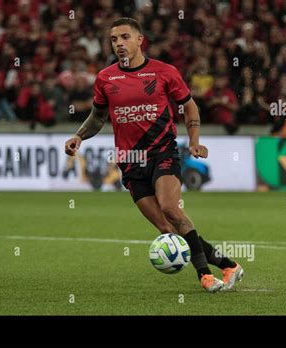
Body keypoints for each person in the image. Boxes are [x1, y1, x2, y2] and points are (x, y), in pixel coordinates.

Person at [65, 18, 243, 293]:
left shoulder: (164, 72)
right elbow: (98, 116)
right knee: (166, 229)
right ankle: (229, 265)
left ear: (140, 40)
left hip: (163, 153)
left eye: (125, 37)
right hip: (130, 162)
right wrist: (79, 136)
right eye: (114, 40)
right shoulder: (105, 78)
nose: (119, 44)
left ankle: (205, 276)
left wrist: (194, 141)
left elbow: (190, 107)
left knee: (171, 209)